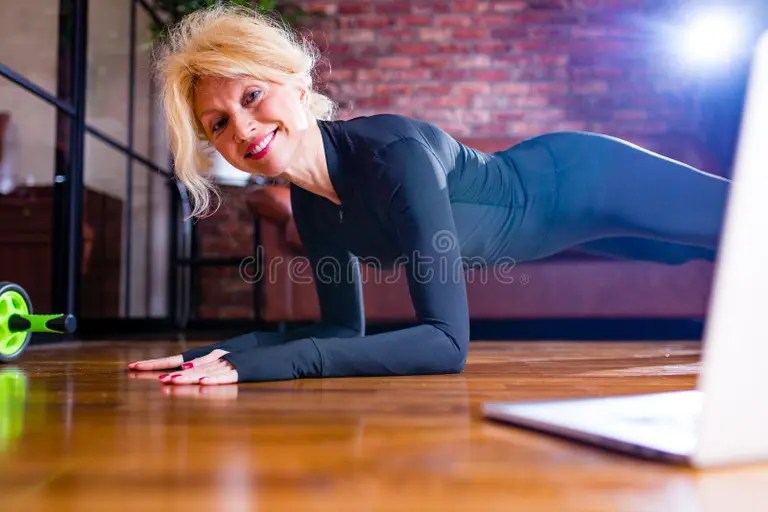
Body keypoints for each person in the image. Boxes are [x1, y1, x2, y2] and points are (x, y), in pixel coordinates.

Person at [128, 5, 730, 385]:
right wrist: (212, 356)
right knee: (703, 254)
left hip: (586, 176)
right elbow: (341, 334)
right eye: (219, 124)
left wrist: (262, 368)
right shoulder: (314, 205)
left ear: (296, 80)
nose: (242, 129)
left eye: (251, 96)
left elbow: (446, 344)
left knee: (743, 225)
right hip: (567, 227)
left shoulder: (392, 157)